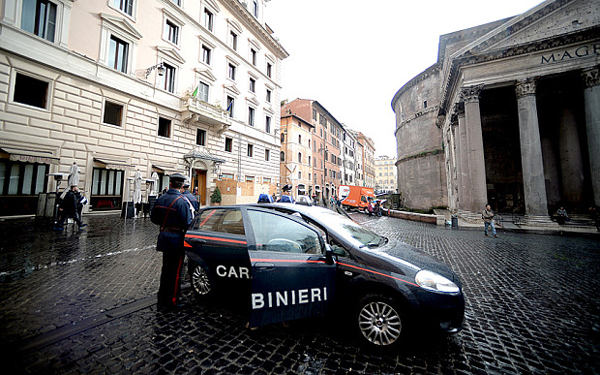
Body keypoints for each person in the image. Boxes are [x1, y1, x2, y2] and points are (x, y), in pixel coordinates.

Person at [150, 173, 193, 310]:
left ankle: (161, 299)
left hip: (164, 237)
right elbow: (188, 222)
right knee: (175, 273)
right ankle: (172, 301)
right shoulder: (182, 201)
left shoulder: (161, 199)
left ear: (170, 184)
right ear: (181, 186)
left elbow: (154, 219)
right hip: (176, 240)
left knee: (166, 270)